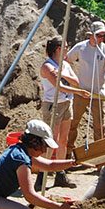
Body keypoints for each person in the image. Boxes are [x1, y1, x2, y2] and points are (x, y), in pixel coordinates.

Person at [66, 23, 105, 149]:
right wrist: (70, 80)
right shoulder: (81, 47)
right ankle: (68, 151)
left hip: (98, 93)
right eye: (99, 35)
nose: (101, 38)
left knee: (100, 126)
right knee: (72, 122)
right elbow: (67, 60)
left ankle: (99, 155)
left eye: (103, 35)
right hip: (81, 91)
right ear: (91, 35)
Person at [36, 37, 82, 188]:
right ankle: (42, 173)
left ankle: (60, 173)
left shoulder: (65, 66)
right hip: (52, 105)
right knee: (51, 140)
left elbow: (76, 81)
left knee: (63, 139)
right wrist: (79, 92)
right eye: (66, 47)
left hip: (66, 103)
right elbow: (59, 87)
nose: (68, 50)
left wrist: (63, 74)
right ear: (58, 49)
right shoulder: (47, 66)